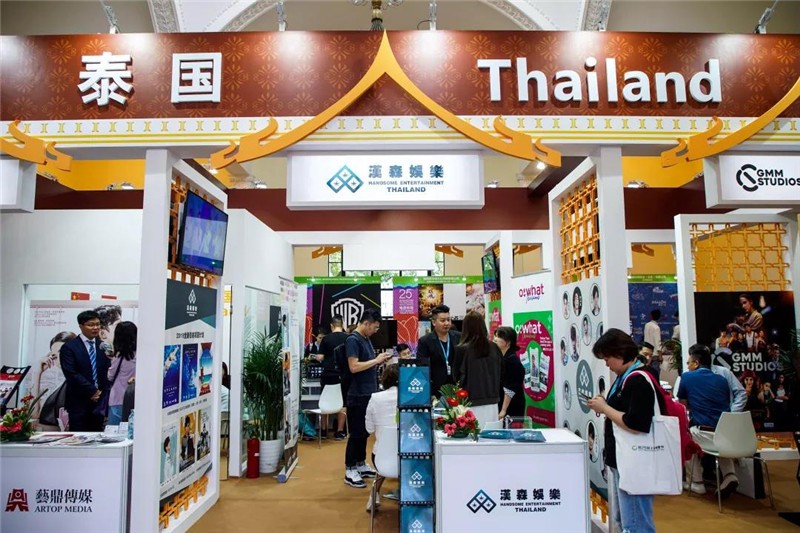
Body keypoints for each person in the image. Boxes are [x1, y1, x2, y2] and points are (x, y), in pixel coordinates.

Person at [587, 328, 666, 533]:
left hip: (635, 460)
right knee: (625, 519)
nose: (607, 364)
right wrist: (605, 405)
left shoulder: (638, 379)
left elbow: (636, 423)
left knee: (635, 523)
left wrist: (605, 408)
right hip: (623, 458)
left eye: (607, 359)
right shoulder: (627, 377)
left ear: (620, 353)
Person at [678, 344, 737, 496]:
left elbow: (682, 407)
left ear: (696, 363)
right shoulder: (722, 380)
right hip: (727, 433)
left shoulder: (687, 377)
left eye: (689, 363)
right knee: (719, 441)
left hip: (704, 432)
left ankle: (696, 482)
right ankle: (730, 475)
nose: (687, 366)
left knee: (685, 435)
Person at [344, 309, 392, 489]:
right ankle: (350, 468)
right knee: (356, 433)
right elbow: (354, 366)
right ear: (366, 323)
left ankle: (360, 463)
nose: (376, 331)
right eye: (375, 327)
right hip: (357, 394)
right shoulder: (353, 340)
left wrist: (378, 361)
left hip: (368, 393)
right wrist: (376, 360)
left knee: (364, 432)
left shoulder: (366, 339)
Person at [60, 310, 111, 431]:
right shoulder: (70, 347)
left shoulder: (103, 346)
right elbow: (71, 373)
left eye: (97, 324)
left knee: (97, 435)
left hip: (99, 401)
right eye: (91, 325)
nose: (95, 328)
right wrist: (92, 391)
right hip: (79, 400)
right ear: (81, 326)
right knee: (78, 436)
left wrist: (101, 394)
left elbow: (108, 371)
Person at [453, 311, 502, 428]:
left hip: (470, 401)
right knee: (490, 435)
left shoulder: (462, 349)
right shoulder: (494, 347)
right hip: (492, 401)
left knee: (472, 435)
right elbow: (502, 371)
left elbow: (456, 376)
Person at [364, 364, 399, 511]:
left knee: (383, 460)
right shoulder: (412, 398)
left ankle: (374, 494)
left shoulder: (375, 398)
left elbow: (369, 429)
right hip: (409, 456)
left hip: (380, 457)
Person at [416, 305, 460, 398]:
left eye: (448, 320)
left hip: (457, 387)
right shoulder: (425, 341)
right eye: (442, 320)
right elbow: (422, 368)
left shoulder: (458, 337)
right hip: (436, 390)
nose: (447, 323)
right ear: (433, 322)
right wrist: (429, 393)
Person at [317, 315, 349, 440]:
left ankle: (324, 430)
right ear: (342, 324)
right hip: (343, 375)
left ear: (331, 325)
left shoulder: (326, 339)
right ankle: (340, 431)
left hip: (328, 374)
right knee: (343, 402)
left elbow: (320, 357)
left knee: (325, 400)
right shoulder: (348, 338)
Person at [106, 321, 137, 426]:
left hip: (119, 397)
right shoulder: (142, 355)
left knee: (116, 429)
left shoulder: (120, 356)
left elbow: (110, 376)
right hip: (136, 397)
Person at [493, 326, 524, 419]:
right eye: (495, 336)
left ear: (508, 342)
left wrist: (503, 410)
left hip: (511, 405)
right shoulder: (502, 357)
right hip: (503, 402)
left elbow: (510, 388)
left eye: (499, 336)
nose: (495, 339)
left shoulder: (511, 360)